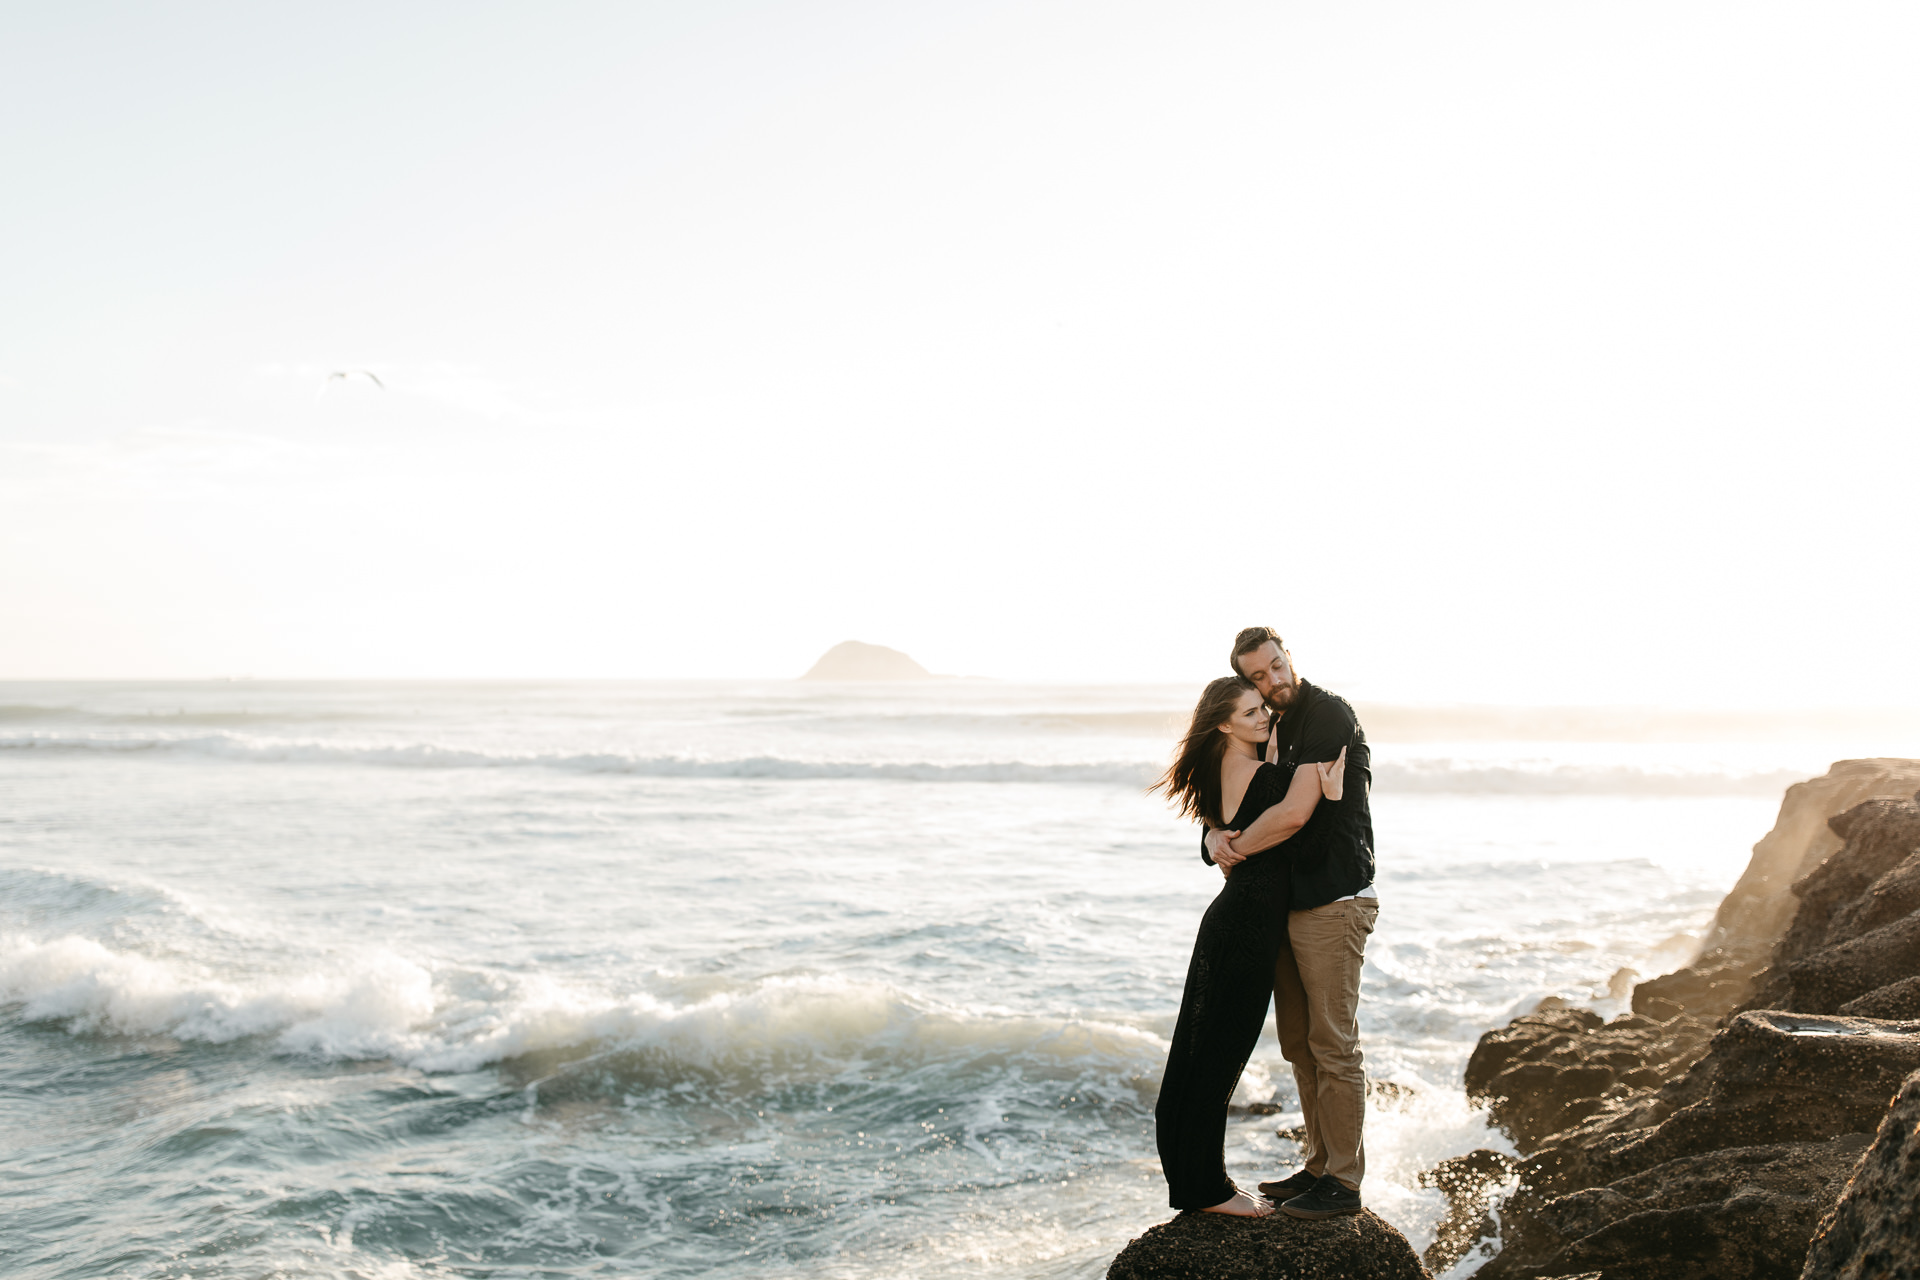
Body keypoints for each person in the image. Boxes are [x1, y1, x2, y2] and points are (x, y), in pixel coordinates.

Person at [1150, 675, 1345, 1216]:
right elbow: (1302, 842)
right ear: (1223, 723)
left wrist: (1215, 841)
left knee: (1198, 1052)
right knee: (1217, 1057)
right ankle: (1209, 1191)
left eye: (1264, 708)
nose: (1264, 717)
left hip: (1230, 920)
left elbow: (1224, 833)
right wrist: (1330, 796)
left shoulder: (1218, 771)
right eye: (1250, 712)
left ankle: (1194, 1182)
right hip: (1248, 929)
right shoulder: (1267, 777)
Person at [1204, 627, 1377, 1221]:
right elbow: (1236, 803)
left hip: (1333, 900)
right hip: (1285, 905)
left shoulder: (1326, 714)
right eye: (1258, 676)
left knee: (1334, 1044)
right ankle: (1319, 1166)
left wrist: (1233, 850)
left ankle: (1345, 1184)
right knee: (1300, 1044)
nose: (1273, 680)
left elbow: (1295, 813)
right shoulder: (1267, 726)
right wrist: (1212, 837)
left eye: (1277, 666)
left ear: (1288, 659)